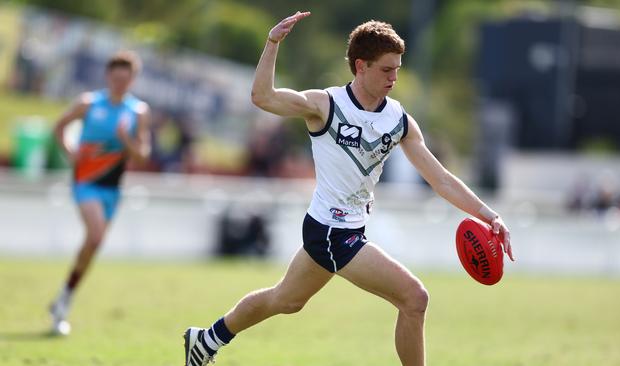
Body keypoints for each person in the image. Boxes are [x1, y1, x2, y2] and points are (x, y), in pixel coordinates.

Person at [182, 11, 514, 366]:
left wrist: (489, 215)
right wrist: (272, 43)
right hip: (331, 230)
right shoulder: (325, 105)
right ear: (361, 66)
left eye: (398, 69)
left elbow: (441, 179)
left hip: (346, 229)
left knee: (285, 301)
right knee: (414, 298)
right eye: (387, 70)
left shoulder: (398, 119)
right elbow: (263, 97)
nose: (394, 78)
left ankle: (206, 340)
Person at [50, 50, 151, 336]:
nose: (120, 83)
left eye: (126, 78)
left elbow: (143, 156)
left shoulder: (139, 111)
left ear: (132, 79)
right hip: (85, 181)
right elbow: (59, 126)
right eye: (116, 77)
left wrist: (126, 141)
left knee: (92, 247)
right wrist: (70, 151)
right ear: (108, 76)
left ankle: (63, 299)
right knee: (94, 236)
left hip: (112, 188)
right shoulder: (89, 103)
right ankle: (64, 303)